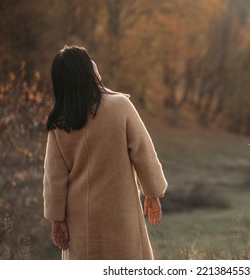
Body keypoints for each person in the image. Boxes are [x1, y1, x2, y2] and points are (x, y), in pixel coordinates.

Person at [43, 45, 167, 259]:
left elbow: (54, 177)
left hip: (79, 222)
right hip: (120, 216)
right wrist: (153, 193)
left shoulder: (59, 122)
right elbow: (144, 153)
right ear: (88, 70)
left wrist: (57, 219)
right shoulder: (119, 106)